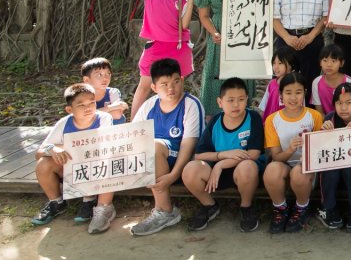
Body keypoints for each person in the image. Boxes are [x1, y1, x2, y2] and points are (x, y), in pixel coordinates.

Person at [130, 58, 204, 236]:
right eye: (164, 84)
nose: (171, 89)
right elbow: (133, 135)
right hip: (154, 158)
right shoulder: (149, 106)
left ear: (182, 80)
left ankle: (165, 210)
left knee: (154, 146)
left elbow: (189, 143)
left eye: (176, 82)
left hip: (185, 161)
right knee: (149, 147)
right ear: (154, 87)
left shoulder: (190, 104)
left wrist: (174, 174)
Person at [181, 77, 264, 232]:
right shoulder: (215, 121)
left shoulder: (253, 118)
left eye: (241, 99)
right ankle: (209, 205)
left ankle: (246, 206)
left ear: (247, 99)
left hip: (244, 173)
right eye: (230, 100)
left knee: (247, 166)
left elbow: (253, 154)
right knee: (190, 169)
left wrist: (221, 164)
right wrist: (222, 156)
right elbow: (199, 155)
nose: (236, 104)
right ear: (220, 102)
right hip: (215, 174)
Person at [31, 83, 115, 232]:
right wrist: (53, 148)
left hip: (97, 169)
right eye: (81, 105)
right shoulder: (64, 123)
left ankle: (89, 201)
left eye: (92, 103)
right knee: (43, 163)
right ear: (70, 109)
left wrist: (68, 147)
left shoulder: (104, 118)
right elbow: (39, 152)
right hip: (71, 170)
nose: (88, 108)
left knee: (91, 156)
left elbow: (101, 147)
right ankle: (56, 202)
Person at [130, 0, 198, 118]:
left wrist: (190, 0)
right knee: (145, 86)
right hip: (157, 45)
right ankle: (134, 126)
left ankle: (174, 124)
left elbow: (183, 26)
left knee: (175, 89)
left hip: (178, 47)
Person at [195, 0, 255, 119]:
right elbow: (204, 15)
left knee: (242, 69)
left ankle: (243, 110)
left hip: (242, 28)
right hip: (221, 30)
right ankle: (215, 117)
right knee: (217, 70)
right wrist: (214, 33)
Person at [262, 72, 324, 234]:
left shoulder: (315, 117)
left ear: (305, 93)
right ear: (281, 95)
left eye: (298, 92)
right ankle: (280, 208)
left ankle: (301, 207)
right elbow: (275, 156)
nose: (293, 97)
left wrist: (308, 155)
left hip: (308, 167)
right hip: (283, 163)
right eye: (288, 92)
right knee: (271, 170)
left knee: (299, 172)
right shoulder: (272, 120)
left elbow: (321, 151)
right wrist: (290, 149)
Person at [273, 0, 330, 89]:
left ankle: (310, 111)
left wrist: (310, 36)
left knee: (311, 84)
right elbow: (273, 18)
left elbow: (326, 16)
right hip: (286, 40)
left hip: (313, 41)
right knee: (283, 82)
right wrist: (287, 37)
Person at [318, 82, 351, 233]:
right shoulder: (330, 119)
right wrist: (324, 133)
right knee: (329, 166)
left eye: (348, 103)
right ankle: (329, 210)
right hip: (335, 163)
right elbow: (322, 150)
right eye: (339, 103)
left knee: (350, 167)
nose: (343, 107)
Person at [310, 43, 351, 116]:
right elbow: (319, 111)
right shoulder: (316, 82)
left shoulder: (349, 82)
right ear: (320, 63)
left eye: (333, 61)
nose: (329, 65)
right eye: (325, 60)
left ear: (341, 63)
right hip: (326, 123)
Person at [81, 57, 128, 123]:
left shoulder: (112, 92)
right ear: (86, 80)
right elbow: (82, 118)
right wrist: (111, 108)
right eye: (99, 75)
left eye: (108, 74)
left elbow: (117, 114)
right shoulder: (81, 96)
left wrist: (93, 114)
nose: (105, 78)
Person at [259, 47, 298, 122]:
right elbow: (264, 107)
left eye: (280, 63)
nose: (276, 67)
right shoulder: (272, 84)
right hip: (270, 125)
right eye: (274, 63)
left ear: (291, 64)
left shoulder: (296, 85)